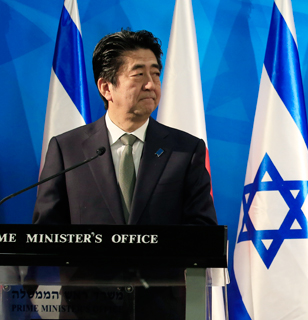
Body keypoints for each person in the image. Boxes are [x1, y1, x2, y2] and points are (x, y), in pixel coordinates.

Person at [33, 29, 216, 319]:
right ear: (107, 88)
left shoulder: (186, 150)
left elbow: (203, 231)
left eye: (155, 74)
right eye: (138, 74)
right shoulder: (67, 150)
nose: (150, 85)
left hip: (160, 310)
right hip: (87, 310)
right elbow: (45, 234)